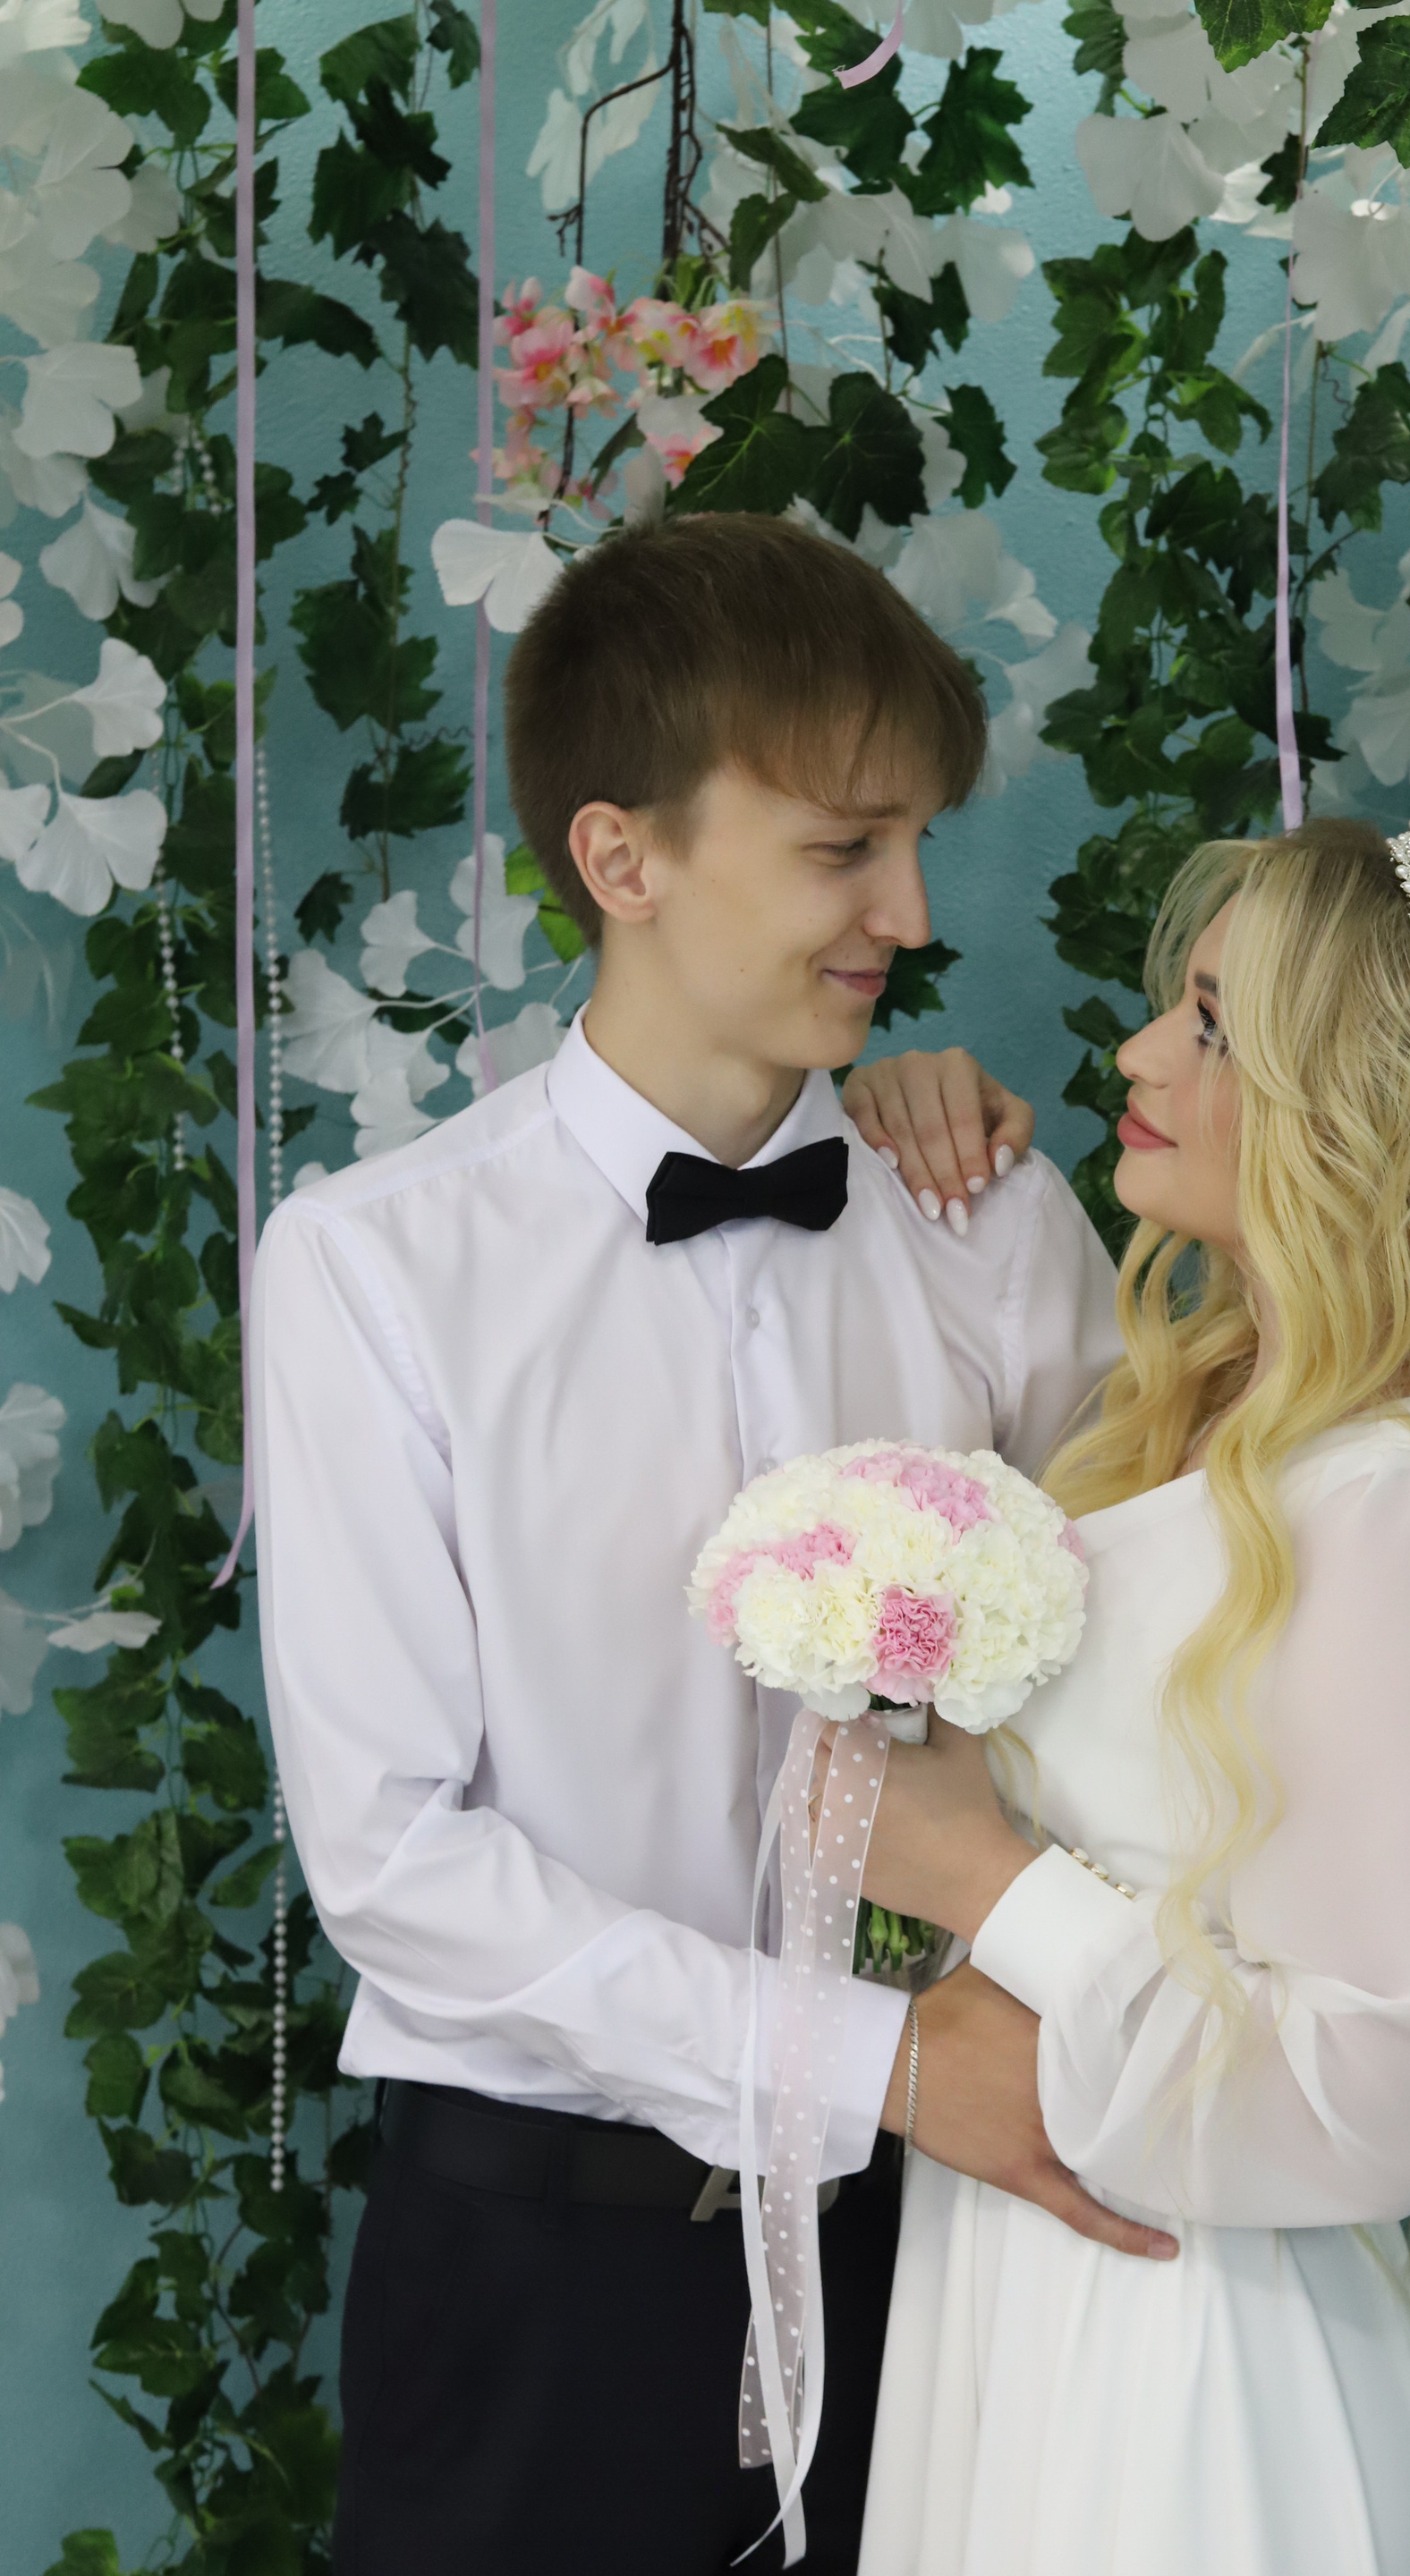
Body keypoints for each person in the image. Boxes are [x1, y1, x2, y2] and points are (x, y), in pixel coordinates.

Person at [249, 511, 1176, 2576]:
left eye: (914, 843)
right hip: (537, 2277)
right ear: (623, 857)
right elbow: (395, 1863)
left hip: (955, 2256)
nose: (909, 914)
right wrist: (883, 2064)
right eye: (846, 850)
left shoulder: (990, 1223)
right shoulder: (376, 1270)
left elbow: (1135, 1697)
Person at [837, 816, 1410, 2575]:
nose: (1140, 1055)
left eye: (1214, 1027)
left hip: (1189, 2369)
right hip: (1039, 2298)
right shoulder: (1193, 1439)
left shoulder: (1394, 1512)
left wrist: (983, 1879)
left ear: (1366, 1104)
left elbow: (1375, 2099)